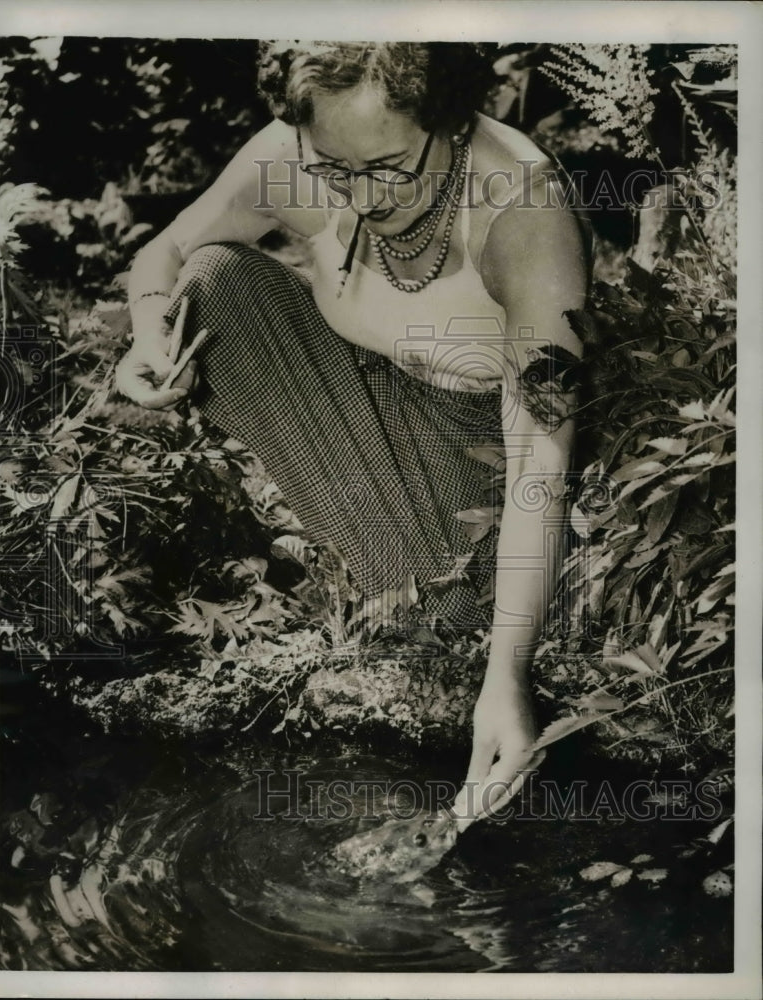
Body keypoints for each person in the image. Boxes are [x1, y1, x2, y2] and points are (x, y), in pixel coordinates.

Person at [115, 41, 589, 828]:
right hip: (367, 387)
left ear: (450, 120)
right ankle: (386, 581)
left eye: (391, 167)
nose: (363, 198)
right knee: (214, 280)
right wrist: (146, 332)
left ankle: (432, 619)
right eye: (336, 170)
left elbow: (541, 459)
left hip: (481, 456)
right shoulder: (288, 158)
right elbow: (161, 250)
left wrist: (508, 676)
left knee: (451, 623)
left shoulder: (525, 215)